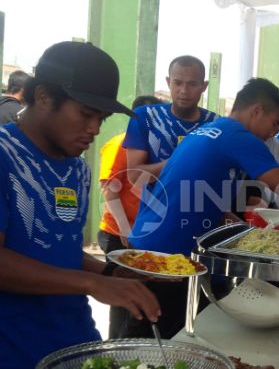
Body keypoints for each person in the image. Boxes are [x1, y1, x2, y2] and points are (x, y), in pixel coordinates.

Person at [125, 78, 279, 339]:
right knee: (151, 337)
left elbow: (198, 195)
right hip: (167, 253)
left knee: (160, 332)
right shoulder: (239, 137)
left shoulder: (208, 130)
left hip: (155, 242)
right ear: (256, 111)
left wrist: (242, 227)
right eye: (275, 123)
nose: (276, 132)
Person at [0, 42, 159, 368]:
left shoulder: (77, 170)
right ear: (43, 97)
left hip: (79, 342)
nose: (95, 129)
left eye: (101, 118)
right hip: (15, 350)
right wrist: (94, 283)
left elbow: (58, 247)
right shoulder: (5, 156)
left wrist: (115, 273)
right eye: (86, 114)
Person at [98, 94, 162, 340]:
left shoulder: (151, 149)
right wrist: (126, 230)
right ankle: (117, 350)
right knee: (123, 302)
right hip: (120, 234)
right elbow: (109, 190)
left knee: (137, 299)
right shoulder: (119, 145)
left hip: (142, 234)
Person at [123, 55, 217, 186]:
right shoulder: (146, 117)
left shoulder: (216, 124)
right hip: (157, 206)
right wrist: (178, 162)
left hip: (203, 205)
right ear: (168, 82)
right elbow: (134, 177)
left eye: (192, 84)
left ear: (204, 86)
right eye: (178, 83)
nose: (184, 91)